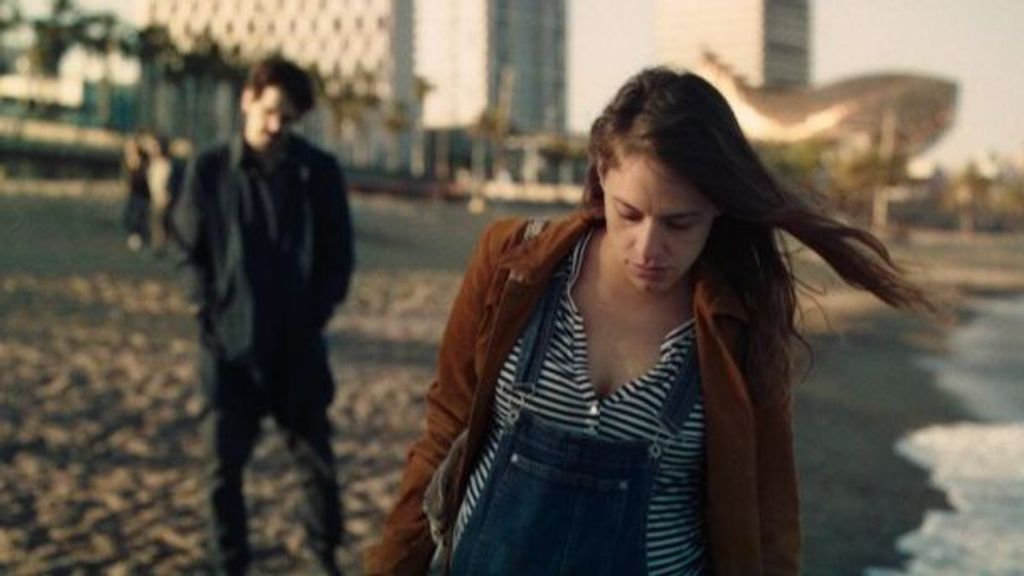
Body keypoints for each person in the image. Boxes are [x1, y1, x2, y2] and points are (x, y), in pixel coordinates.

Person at [363, 68, 932, 576]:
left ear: (718, 208)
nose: (648, 247)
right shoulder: (512, 265)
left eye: (680, 223)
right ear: (602, 176)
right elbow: (445, 428)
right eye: (629, 214)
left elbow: (768, 511)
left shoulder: (738, 318)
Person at [170, 56, 354, 576]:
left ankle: (324, 560)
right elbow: (188, 251)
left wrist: (315, 313)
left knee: (317, 468)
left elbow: (338, 257)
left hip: (297, 350)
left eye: (288, 118)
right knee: (220, 474)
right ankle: (229, 567)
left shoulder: (318, 172)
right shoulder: (207, 172)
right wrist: (204, 306)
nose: (276, 126)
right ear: (247, 99)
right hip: (227, 350)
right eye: (271, 111)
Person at [122, 134, 151, 251]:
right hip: (135, 195)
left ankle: (142, 237)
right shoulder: (130, 161)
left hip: (143, 195)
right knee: (131, 216)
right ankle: (137, 236)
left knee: (139, 216)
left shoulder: (144, 161)